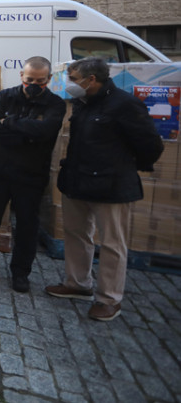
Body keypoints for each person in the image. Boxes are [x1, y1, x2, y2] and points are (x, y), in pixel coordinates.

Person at [45, 57, 163, 321]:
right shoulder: (82, 102)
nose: (69, 83)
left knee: (112, 243)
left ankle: (109, 299)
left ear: (92, 80)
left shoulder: (124, 104)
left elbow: (151, 145)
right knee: (76, 234)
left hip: (112, 185)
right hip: (77, 180)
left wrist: (124, 167)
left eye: (73, 79)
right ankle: (77, 283)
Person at [0, 57, 66, 292]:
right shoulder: (4, 97)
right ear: (21, 76)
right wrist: (28, 136)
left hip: (31, 175)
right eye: (29, 80)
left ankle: (20, 273)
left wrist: (12, 122)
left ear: (49, 79)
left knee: (27, 226)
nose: (34, 84)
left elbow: (47, 131)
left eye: (40, 81)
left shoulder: (55, 104)